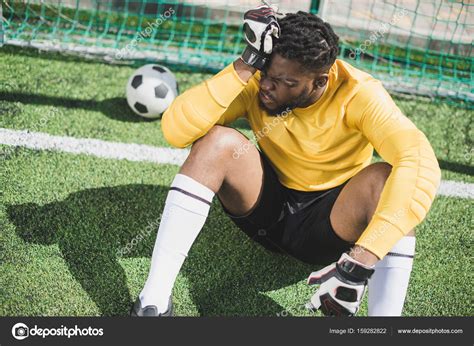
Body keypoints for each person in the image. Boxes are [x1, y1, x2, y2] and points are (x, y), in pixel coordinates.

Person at [131, 5, 441, 317]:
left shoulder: (358, 93)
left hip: (333, 224)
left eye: (286, 82)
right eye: (267, 74)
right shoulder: (256, 80)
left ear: (320, 81)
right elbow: (175, 130)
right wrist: (247, 63)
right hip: (266, 211)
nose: (267, 85)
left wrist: (361, 260)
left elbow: (419, 160)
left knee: (392, 182)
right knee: (216, 142)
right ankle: (153, 302)